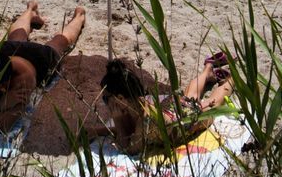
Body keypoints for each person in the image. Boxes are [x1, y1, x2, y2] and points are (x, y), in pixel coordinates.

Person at [0, 1, 86, 132]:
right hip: (6, 50)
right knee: (16, 36)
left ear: (3, 85)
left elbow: (2, 126)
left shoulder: (23, 81)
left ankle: (79, 16)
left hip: (39, 59)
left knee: (58, 43)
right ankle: (30, 9)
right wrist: (0, 104)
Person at [98, 52, 234, 155]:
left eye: (106, 99)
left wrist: (117, 119)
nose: (105, 103)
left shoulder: (147, 121)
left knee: (212, 103)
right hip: (171, 109)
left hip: (187, 122)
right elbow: (128, 131)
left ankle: (232, 79)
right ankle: (208, 68)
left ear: (121, 99)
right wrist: (97, 131)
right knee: (190, 97)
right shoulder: (137, 103)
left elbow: (128, 149)